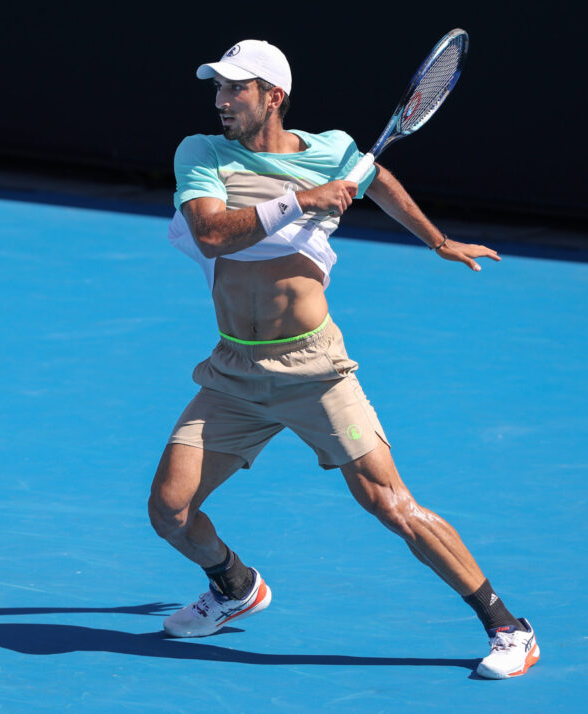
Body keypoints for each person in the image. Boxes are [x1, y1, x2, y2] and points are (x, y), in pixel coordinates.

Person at [147, 39, 539, 679]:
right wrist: (302, 200)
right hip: (234, 373)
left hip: (315, 371)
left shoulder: (332, 151)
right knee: (169, 510)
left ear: (273, 97)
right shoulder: (202, 152)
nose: (221, 101)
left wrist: (436, 241)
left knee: (390, 503)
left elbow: (378, 180)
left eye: (235, 89)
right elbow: (212, 232)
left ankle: (509, 626)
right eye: (216, 88)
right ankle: (235, 586)